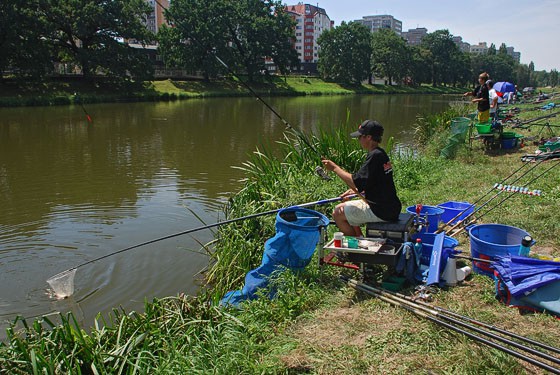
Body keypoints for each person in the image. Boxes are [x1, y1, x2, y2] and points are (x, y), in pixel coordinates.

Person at [321, 120, 402, 237]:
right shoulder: (380, 153)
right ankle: (359, 238)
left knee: (337, 213)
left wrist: (334, 168)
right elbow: (375, 182)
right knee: (345, 203)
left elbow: (355, 181)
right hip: (390, 207)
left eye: (360, 137)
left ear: (368, 137)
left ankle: (354, 247)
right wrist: (359, 190)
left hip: (381, 211)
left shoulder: (375, 155)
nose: (359, 140)